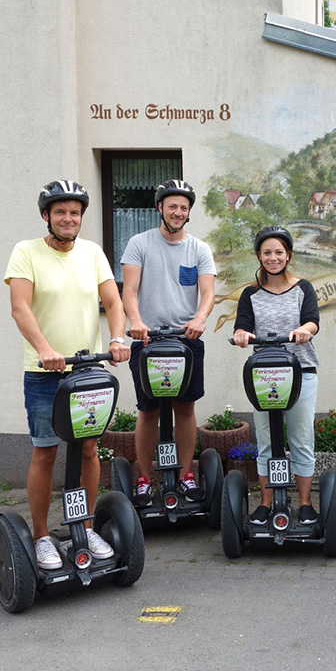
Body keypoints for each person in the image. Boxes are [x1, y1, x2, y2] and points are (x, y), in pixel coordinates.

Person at [5, 180, 130, 570]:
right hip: (44, 373)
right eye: (60, 211)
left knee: (89, 449)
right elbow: (20, 307)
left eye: (74, 212)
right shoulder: (26, 252)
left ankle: (86, 527)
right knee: (45, 452)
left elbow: (113, 301)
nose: (68, 218)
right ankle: (42, 536)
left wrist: (118, 337)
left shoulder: (92, 253)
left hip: (88, 370)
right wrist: (45, 348)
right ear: (46, 215)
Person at [121, 179, 217, 505]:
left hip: (186, 340)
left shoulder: (199, 249)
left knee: (185, 409)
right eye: (172, 206)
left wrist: (200, 318)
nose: (178, 212)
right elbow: (129, 290)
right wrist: (135, 320)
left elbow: (208, 293)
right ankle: (144, 479)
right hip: (147, 341)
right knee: (148, 411)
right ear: (160, 207)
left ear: (189, 212)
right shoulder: (139, 243)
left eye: (183, 207)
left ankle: (186, 475)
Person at [232, 226, 321, 525]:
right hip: (265, 375)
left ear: (288, 255)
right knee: (267, 441)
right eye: (267, 252)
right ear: (259, 256)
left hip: (301, 372)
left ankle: (305, 504)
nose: (273, 258)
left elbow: (312, 321)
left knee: (301, 439)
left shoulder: (303, 288)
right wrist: (242, 334)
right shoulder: (251, 294)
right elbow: (242, 326)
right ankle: (266, 503)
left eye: (279, 252)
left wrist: (304, 331)